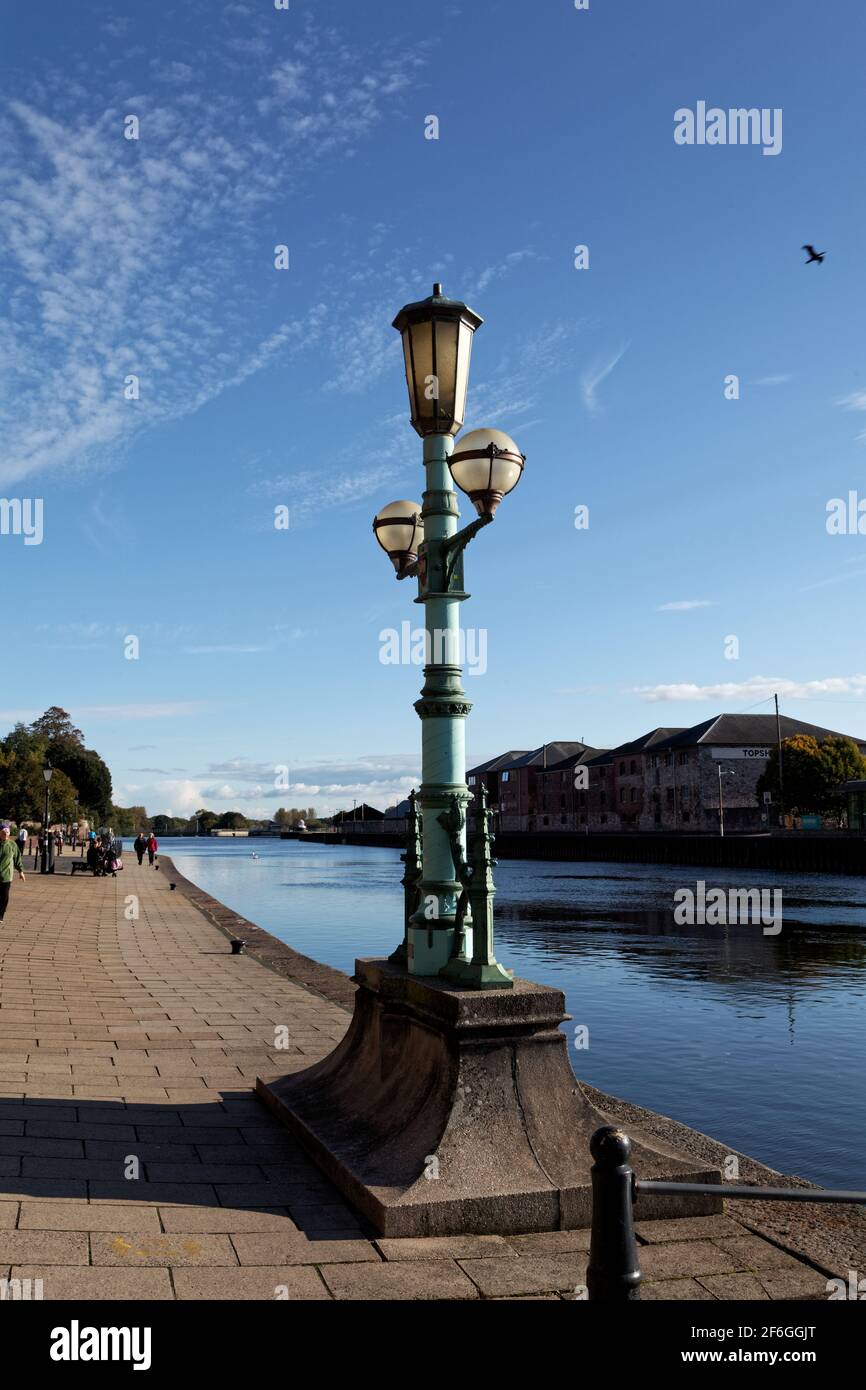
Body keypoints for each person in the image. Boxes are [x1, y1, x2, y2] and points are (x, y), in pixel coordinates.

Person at [0, 824, 25, 924]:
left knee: (4, 897)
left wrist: (21, 871)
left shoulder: (12, 845)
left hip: (6, 875)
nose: (5, 834)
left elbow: (17, 859)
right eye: (3, 832)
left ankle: (1, 915)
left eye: (7, 832)